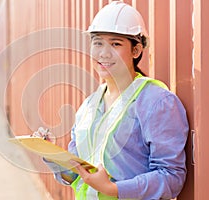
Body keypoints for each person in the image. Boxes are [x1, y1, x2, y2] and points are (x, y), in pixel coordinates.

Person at [41, 1, 189, 199]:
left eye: (115, 44)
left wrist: (114, 190)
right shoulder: (89, 106)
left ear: (136, 51)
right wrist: (53, 156)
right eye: (97, 43)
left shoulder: (157, 103)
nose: (103, 53)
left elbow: (171, 177)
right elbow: (78, 176)